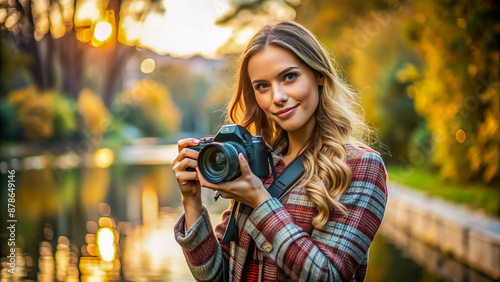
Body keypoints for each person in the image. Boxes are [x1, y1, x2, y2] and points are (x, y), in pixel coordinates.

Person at [172, 20, 388, 281]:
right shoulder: (256, 164)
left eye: (289, 77)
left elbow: (329, 276)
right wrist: (191, 200)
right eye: (262, 86)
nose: (277, 96)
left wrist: (260, 201)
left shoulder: (359, 166)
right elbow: (214, 276)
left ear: (318, 75)